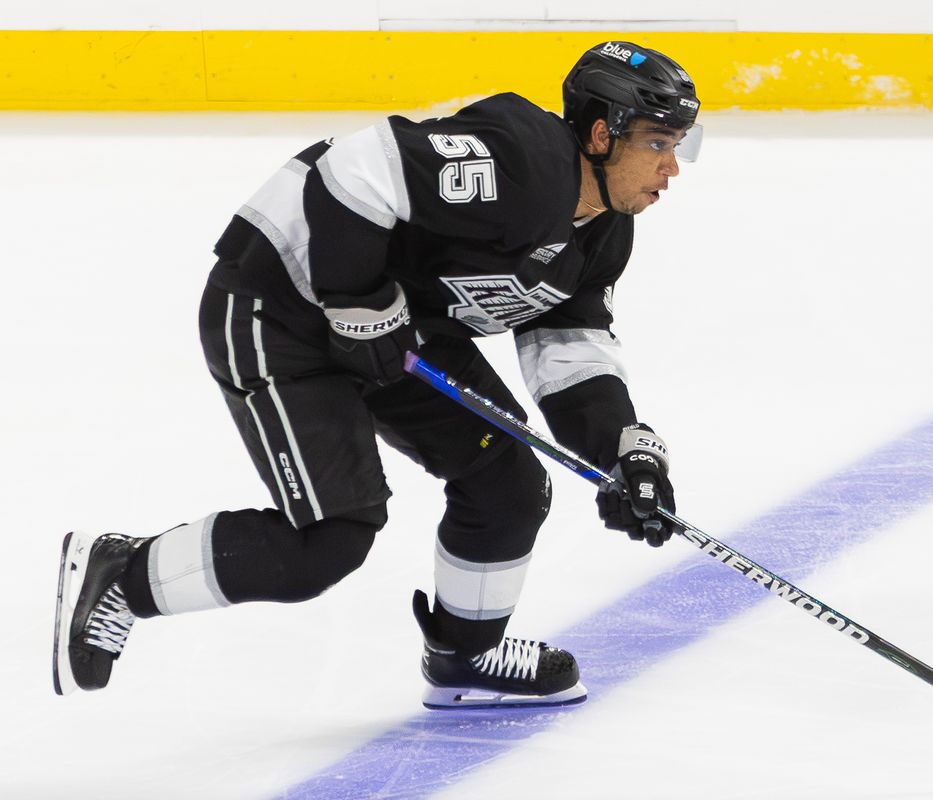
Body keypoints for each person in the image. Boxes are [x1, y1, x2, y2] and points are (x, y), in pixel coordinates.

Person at [53, 40, 702, 709]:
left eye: (682, 144)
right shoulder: (522, 160)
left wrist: (622, 451)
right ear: (602, 133)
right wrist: (356, 299)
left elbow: (569, 348)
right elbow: (354, 170)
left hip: (395, 331)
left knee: (505, 480)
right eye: (659, 143)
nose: (672, 167)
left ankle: (466, 654)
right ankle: (121, 574)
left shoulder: (603, 235)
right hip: (280, 303)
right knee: (327, 540)